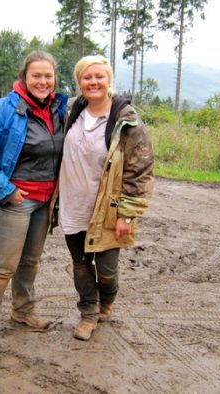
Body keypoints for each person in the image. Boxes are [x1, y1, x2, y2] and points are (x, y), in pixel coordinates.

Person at [0, 51, 68, 354]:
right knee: (4, 265)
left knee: (30, 262)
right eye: (36, 75)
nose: (42, 81)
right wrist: (6, 190)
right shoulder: (1, 109)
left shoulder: (59, 109)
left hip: (44, 202)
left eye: (48, 76)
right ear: (24, 76)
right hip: (14, 200)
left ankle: (22, 311)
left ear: (54, 79)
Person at [57, 55, 154, 341]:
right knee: (80, 264)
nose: (93, 82)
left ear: (109, 79)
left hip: (108, 210)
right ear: (79, 82)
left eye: (99, 76)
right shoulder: (71, 110)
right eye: (87, 77)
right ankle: (88, 313)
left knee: (107, 269)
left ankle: (107, 301)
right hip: (73, 204)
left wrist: (128, 213)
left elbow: (141, 169)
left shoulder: (126, 120)